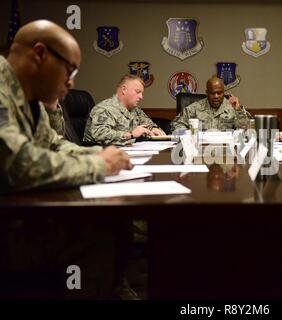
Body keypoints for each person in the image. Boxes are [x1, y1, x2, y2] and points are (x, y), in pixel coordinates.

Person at [0, 20, 133, 299]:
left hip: (19, 212)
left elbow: (54, 144)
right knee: (98, 231)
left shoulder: (28, 98)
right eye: (69, 69)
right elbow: (19, 164)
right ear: (39, 53)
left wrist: (103, 155)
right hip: (8, 230)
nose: (71, 82)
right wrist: (99, 165)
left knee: (113, 220)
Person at [83, 74, 166, 146]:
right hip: (100, 157)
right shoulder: (105, 109)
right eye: (138, 92)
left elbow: (149, 124)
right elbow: (99, 134)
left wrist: (153, 129)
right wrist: (131, 135)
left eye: (142, 93)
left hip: (126, 153)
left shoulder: (135, 110)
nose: (141, 97)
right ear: (124, 90)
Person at [170, 76, 252, 131]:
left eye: (219, 93)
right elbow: (176, 124)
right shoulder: (195, 108)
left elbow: (247, 130)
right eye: (212, 93)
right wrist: (189, 136)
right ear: (207, 93)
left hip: (226, 150)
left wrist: (238, 110)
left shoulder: (232, 107)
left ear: (224, 92)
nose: (216, 96)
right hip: (200, 150)